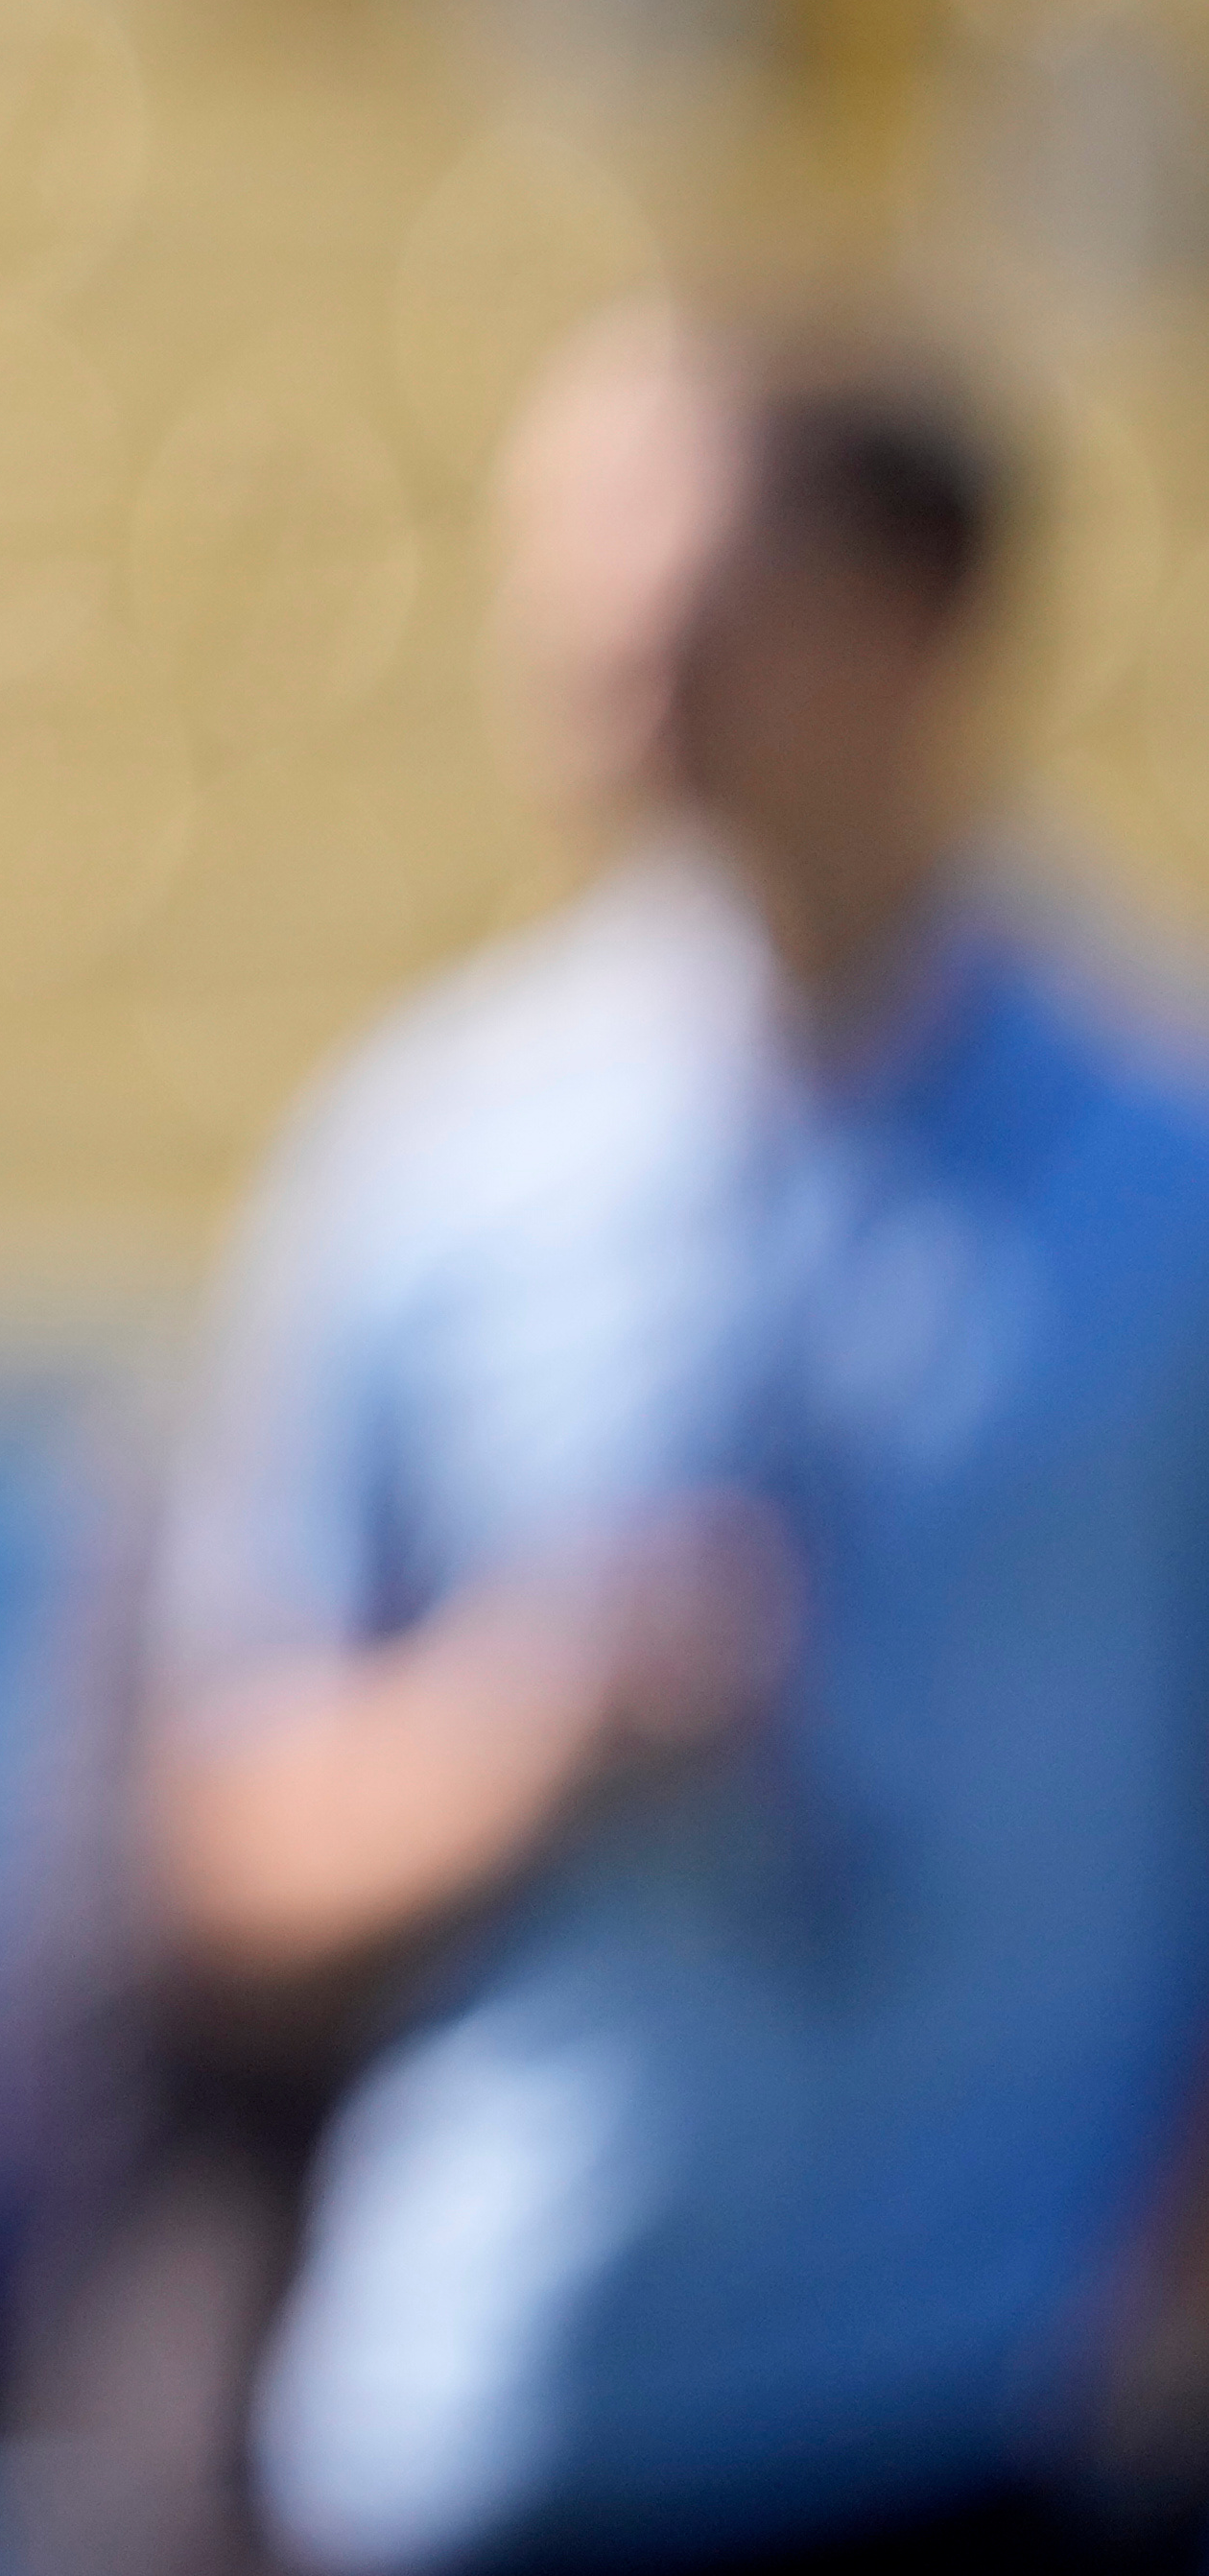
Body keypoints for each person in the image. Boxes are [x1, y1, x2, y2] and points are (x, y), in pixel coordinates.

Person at [147, 298, 1209, 2576]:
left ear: (910, 622)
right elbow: (223, 1828)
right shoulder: (432, 1157)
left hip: (987, 2430)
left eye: (681, 579)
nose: (598, 648)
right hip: (490, 2423)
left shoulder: (1162, 1177)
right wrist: (523, 1731)